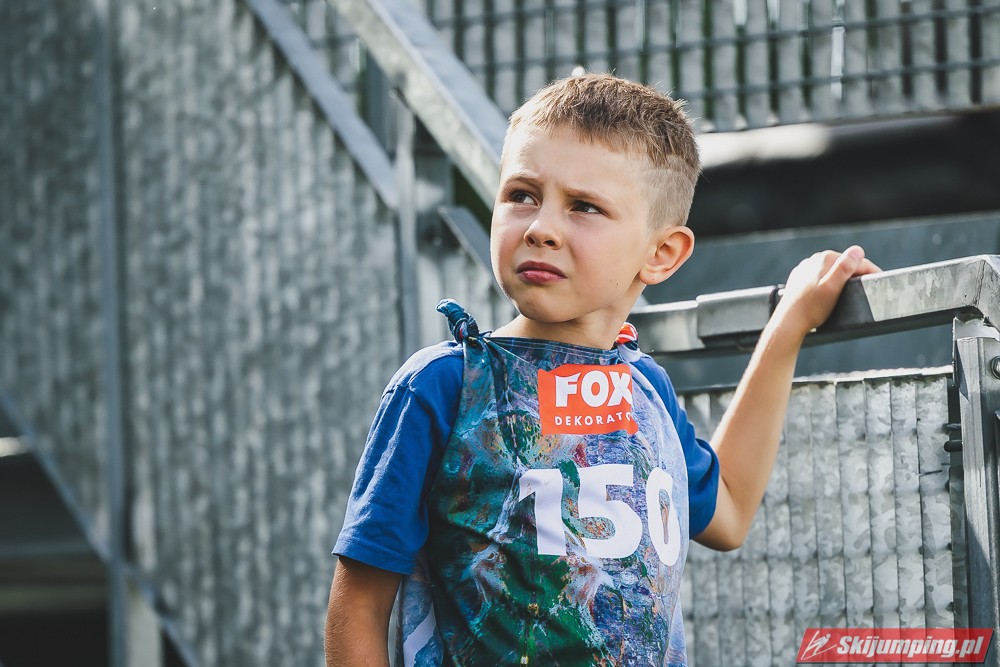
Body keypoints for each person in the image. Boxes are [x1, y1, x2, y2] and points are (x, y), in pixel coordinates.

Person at [324, 73, 879, 666]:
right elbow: (358, 606)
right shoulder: (443, 386)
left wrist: (789, 325)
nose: (540, 228)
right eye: (522, 195)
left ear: (661, 254)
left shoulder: (645, 388)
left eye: (584, 206)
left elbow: (729, 511)